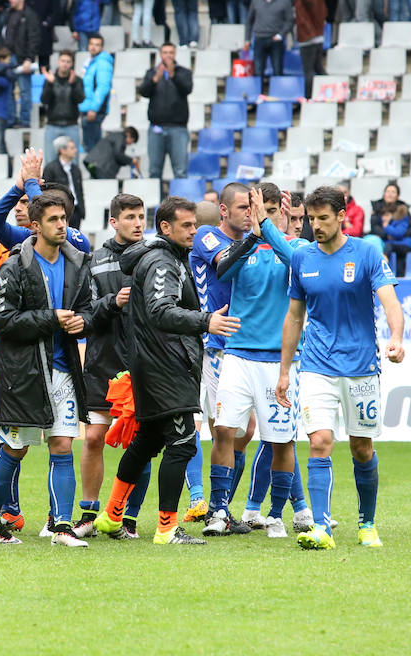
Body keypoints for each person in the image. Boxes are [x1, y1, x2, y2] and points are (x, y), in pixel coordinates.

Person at [94, 196, 241, 545]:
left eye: (195, 225)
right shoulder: (162, 261)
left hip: (153, 362)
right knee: (182, 444)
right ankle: (166, 528)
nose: (193, 231)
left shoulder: (161, 256)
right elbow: (161, 311)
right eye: (186, 226)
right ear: (165, 228)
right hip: (166, 365)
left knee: (147, 441)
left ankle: (112, 516)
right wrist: (207, 321)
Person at [278, 185, 405, 550]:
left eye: (322, 218)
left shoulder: (366, 253)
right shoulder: (302, 259)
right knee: (319, 442)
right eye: (311, 219)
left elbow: (389, 300)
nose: (315, 225)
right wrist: (285, 370)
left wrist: (396, 337)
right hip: (316, 364)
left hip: (362, 365)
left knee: (362, 447)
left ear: (340, 216)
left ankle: (367, 523)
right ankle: (321, 528)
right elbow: (294, 317)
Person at [0, 193, 95, 547]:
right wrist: (50, 319)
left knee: (62, 445)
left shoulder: (77, 262)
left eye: (65, 219)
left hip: (63, 370)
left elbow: (88, 308)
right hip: (25, 373)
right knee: (14, 449)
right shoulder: (15, 265)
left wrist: (83, 323)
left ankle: (60, 527)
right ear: (35, 226)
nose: (62, 225)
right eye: (54, 219)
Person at [211, 184, 311, 538]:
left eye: (271, 209)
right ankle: (219, 510)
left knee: (281, 441)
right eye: (259, 209)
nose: (263, 215)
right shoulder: (242, 246)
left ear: (282, 211)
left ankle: (276, 514)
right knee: (224, 430)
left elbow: (291, 259)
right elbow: (222, 270)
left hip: (278, 361)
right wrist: (254, 235)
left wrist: (267, 226)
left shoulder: (298, 247)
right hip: (237, 354)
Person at [72, 193, 149, 540]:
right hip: (102, 363)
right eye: (130, 217)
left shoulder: (153, 258)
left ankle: (126, 517)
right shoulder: (94, 261)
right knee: (92, 438)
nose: (137, 223)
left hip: (142, 365)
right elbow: (84, 315)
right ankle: (89, 513)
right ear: (113, 222)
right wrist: (111, 303)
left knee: (141, 443)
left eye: (141, 216)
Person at [189, 182, 255, 531]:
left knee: (244, 430)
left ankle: (222, 506)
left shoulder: (252, 242)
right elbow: (224, 263)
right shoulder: (207, 235)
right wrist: (259, 237)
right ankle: (206, 502)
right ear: (225, 210)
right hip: (207, 341)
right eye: (243, 207)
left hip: (241, 344)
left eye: (252, 207)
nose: (250, 213)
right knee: (213, 426)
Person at [139, 42, 192, 180]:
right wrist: (155, 79)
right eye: (165, 52)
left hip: (178, 129)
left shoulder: (184, 72)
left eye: (171, 52)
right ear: (160, 54)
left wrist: (173, 75)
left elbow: (187, 89)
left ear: (175, 54)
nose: (168, 55)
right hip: (156, 128)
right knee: (154, 171)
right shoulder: (152, 72)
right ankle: (157, 201)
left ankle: (180, 202)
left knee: (180, 171)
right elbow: (143, 92)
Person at [0, 0, 40, 128]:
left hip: (23, 58)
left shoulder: (30, 14)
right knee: (9, 90)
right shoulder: (8, 13)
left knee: (24, 91)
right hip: (9, 57)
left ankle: (25, 121)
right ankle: (11, 119)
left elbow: (34, 37)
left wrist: (29, 58)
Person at [40, 49, 84, 160]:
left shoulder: (77, 80)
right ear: (58, 62)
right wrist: (50, 84)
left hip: (71, 125)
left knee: (73, 161)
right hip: (52, 125)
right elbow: (44, 100)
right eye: (63, 61)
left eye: (68, 61)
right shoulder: (50, 79)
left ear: (72, 64)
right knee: (50, 161)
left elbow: (80, 99)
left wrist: (73, 85)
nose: (65, 64)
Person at [78, 33, 113, 154]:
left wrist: (94, 109)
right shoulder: (90, 62)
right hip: (87, 108)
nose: (93, 47)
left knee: (93, 149)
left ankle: (95, 173)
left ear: (102, 47)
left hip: (94, 111)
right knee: (89, 146)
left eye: (97, 45)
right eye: (91, 44)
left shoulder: (102, 63)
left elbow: (103, 87)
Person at [42, 135, 84, 229]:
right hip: (59, 210)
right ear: (62, 150)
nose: (75, 150)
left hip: (76, 211)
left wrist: (82, 211)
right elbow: (46, 191)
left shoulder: (76, 169)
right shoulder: (50, 168)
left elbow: (80, 191)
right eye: (72, 148)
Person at [243, 0, 292, 78]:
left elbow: (290, 21)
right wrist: (247, 39)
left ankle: (277, 90)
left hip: (276, 40)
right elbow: (249, 21)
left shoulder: (285, 2)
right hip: (259, 39)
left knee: (278, 70)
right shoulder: (256, 2)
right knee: (258, 71)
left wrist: (280, 35)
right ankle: (258, 90)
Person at [371, 203, 411, 277]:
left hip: (405, 246)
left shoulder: (401, 221)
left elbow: (398, 233)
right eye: (383, 216)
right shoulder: (391, 224)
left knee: (389, 246)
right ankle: (400, 279)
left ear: (393, 214)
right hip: (398, 248)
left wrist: (387, 227)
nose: (384, 218)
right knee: (399, 264)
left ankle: (384, 259)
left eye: (387, 215)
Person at [296, 0, 326, 99]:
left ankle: (308, 97)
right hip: (318, 36)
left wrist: (309, 32)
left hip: (308, 37)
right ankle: (329, 90)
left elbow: (302, 18)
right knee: (318, 68)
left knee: (309, 71)